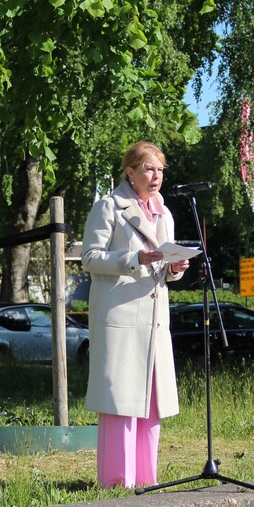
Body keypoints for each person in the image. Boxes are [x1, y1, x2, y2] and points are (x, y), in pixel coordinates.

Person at [81, 141, 189, 489]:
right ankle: (116, 482)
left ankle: (146, 478)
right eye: (148, 169)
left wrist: (176, 267)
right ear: (130, 172)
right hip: (121, 317)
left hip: (155, 319)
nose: (156, 176)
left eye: (160, 169)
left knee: (151, 402)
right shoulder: (108, 207)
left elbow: (165, 267)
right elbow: (89, 258)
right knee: (120, 401)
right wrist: (133, 260)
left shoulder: (164, 212)